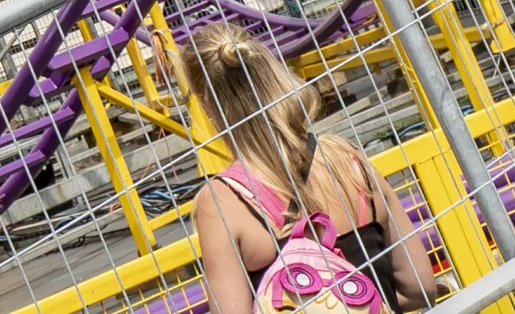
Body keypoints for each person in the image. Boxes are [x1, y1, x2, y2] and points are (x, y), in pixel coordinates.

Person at [181, 24, 433, 313]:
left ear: (208, 105)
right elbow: (420, 288)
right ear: (271, 73)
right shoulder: (346, 159)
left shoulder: (223, 202)